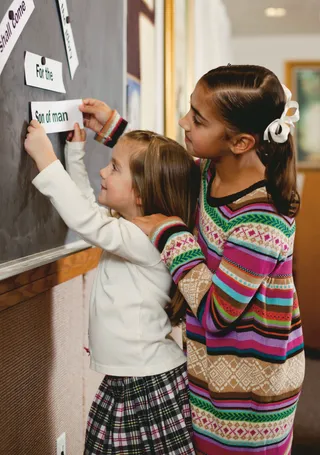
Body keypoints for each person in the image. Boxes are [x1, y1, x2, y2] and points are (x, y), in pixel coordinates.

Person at [81, 66, 305, 454]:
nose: (184, 121)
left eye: (197, 119)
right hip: (206, 372)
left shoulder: (262, 217)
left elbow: (220, 312)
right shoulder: (208, 174)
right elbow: (164, 174)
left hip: (250, 396)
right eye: (190, 110)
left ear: (240, 142)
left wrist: (170, 233)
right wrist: (114, 129)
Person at [24, 113, 200, 455]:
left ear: (142, 192)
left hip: (146, 384)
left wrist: (47, 159)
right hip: (133, 379)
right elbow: (89, 213)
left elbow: (86, 220)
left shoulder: (146, 238)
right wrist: (74, 156)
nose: (103, 172)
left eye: (114, 168)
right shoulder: (132, 231)